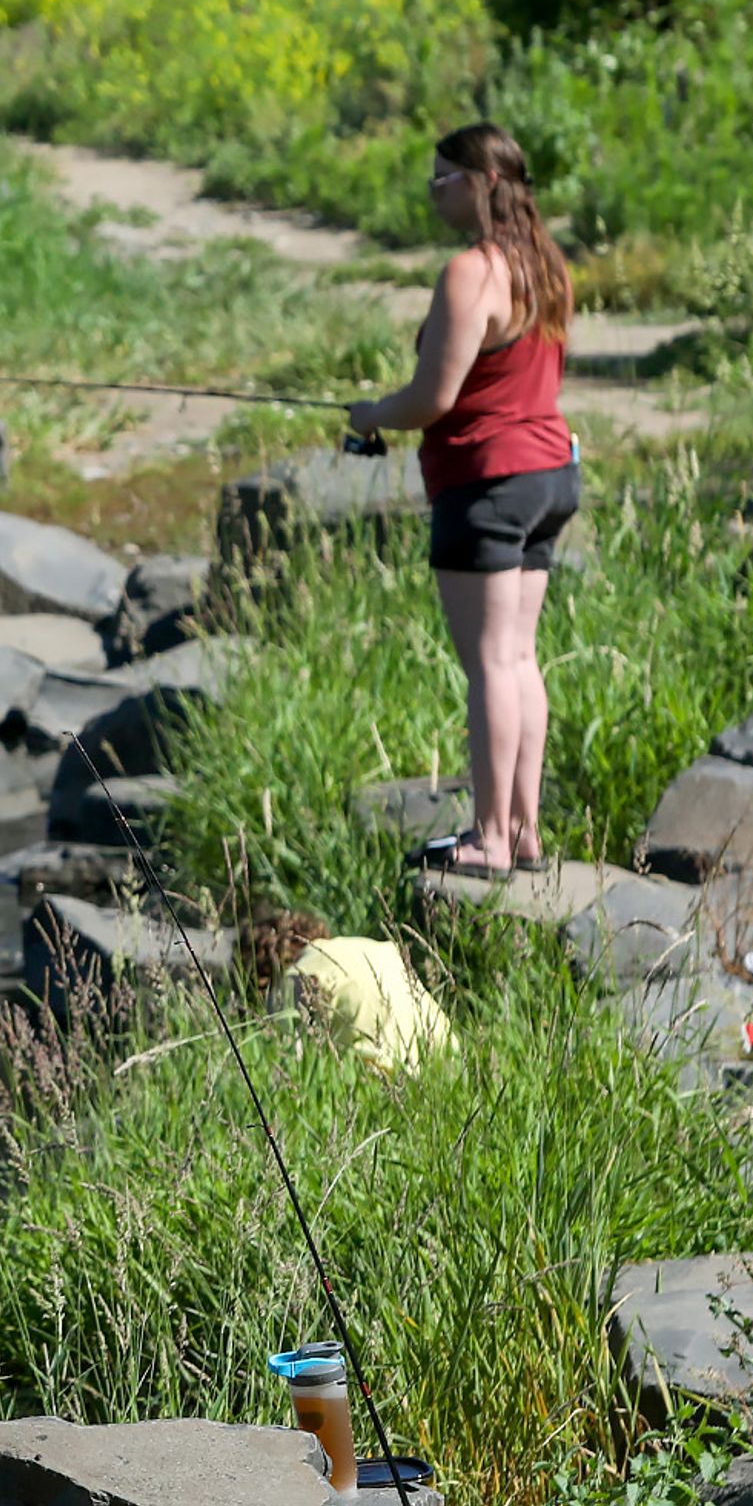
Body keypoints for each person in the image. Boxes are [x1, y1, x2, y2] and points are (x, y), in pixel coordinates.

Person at [345, 123, 578, 878]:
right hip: (548, 475)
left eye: (442, 178)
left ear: (482, 182)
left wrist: (376, 413)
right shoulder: (544, 265)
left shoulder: (470, 272)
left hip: (486, 481)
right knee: (518, 656)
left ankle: (491, 838)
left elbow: (433, 397)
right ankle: (527, 830)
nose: (432, 191)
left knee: (488, 665)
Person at [239, 909, 453, 1076]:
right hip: (445, 1058)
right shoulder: (374, 947)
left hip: (374, 1071)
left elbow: (287, 1060)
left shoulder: (296, 977)